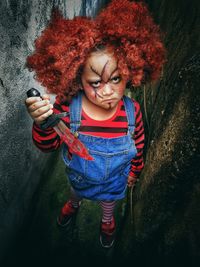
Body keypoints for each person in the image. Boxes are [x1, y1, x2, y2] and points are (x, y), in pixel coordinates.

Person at [25, 0, 165, 248]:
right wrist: (42, 121)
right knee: (76, 192)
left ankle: (107, 220)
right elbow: (47, 146)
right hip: (80, 178)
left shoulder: (133, 112)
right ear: (77, 79)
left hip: (114, 182)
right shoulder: (68, 108)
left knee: (108, 202)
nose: (108, 92)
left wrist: (134, 171)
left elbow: (139, 143)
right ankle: (74, 204)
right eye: (95, 83)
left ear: (131, 72)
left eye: (115, 79)